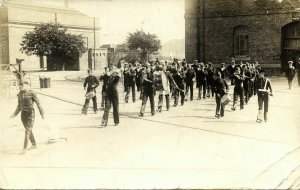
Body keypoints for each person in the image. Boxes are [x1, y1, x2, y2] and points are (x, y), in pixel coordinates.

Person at [10, 81, 44, 154]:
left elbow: (38, 103)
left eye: (22, 86)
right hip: (23, 115)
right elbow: (19, 106)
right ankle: (34, 144)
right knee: (28, 130)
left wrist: (42, 113)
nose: (20, 87)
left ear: (26, 86)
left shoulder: (32, 93)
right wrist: (14, 114)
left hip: (30, 114)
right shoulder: (19, 94)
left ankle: (24, 148)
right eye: (19, 86)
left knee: (27, 130)